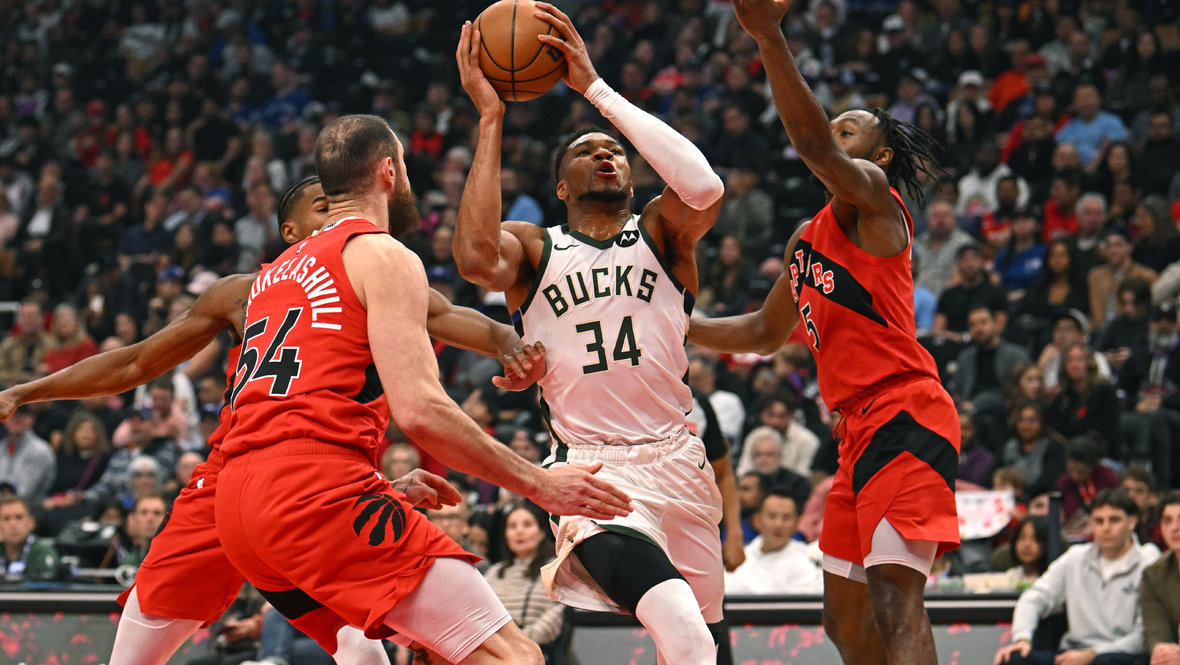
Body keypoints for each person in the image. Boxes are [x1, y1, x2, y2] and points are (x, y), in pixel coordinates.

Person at [0, 175, 556, 665]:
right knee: (141, 633)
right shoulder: (242, 291)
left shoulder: (370, 268)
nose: (339, 214)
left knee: (359, 646)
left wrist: (511, 343)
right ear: (290, 231)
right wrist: (27, 392)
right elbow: (135, 362)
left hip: (309, 480)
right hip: (234, 476)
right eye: (323, 206)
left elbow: (463, 320)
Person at [214, 114, 631, 665]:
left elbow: (297, 410)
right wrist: (539, 483)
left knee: (393, 655)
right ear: (389, 172)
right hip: (312, 497)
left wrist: (376, 484)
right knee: (515, 657)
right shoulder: (383, 255)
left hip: (239, 508)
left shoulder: (273, 274)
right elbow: (421, 411)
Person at [454, 6, 727, 664]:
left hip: (679, 460)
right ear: (561, 185)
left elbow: (703, 185)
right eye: (586, 151)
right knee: (686, 635)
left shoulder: (662, 231)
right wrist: (490, 118)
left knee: (707, 647)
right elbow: (475, 258)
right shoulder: (536, 248)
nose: (605, 153)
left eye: (615, 150)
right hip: (592, 471)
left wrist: (597, 91)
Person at [688, 2, 959, 663]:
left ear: (879, 155)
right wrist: (678, 325)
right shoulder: (805, 240)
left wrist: (768, 36)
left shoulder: (878, 203)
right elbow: (763, 331)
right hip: (851, 431)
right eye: (832, 124)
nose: (834, 133)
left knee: (896, 599)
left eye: (849, 129)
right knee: (845, 620)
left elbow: (812, 147)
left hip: (904, 410)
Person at [993, 489, 1157, 665]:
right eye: (1099, 521)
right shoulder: (1075, 557)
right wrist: (1022, 639)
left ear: (1131, 522)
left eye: (1114, 520)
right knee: (1012, 659)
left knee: (1106, 662)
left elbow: (1143, 635)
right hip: (1072, 652)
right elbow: (1034, 597)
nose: (1106, 528)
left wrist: (1092, 654)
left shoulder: (1148, 561)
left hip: (1120, 655)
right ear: (1090, 523)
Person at [482, 505, 566, 659]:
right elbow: (481, 613)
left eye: (527, 525)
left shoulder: (555, 568)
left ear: (542, 532)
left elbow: (558, 613)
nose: (519, 532)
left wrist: (521, 643)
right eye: (512, 526)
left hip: (539, 652)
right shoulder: (494, 573)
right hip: (497, 653)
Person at [723, 487, 824, 594]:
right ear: (757, 520)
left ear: (797, 522)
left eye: (786, 518)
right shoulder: (741, 555)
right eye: (772, 516)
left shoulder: (804, 565)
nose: (778, 524)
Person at [1140, 490, 1180, 665]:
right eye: (1167, 521)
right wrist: (1161, 649)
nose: (1175, 528)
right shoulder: (1154, 574)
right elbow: (1155, 627)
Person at [0, 495, 59, 581]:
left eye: (19, 517)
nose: (13, 524)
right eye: (6, 519)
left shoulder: (42, 553)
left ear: (31, 523)